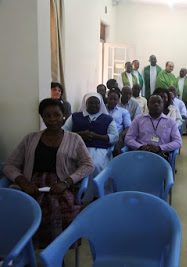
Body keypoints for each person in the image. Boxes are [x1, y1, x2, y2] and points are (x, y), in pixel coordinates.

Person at [3, 99, 94, 248]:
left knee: (65, 214)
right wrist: (23, 181)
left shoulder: (74, 139)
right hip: (31, 184)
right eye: (47, 116)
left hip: (60, 185)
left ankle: (57, 253)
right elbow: (9, 164)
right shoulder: (30, 138)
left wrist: (67, 182)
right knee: (19, 212)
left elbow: (88, 164)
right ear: (42, 117)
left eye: (56, 115)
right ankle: (27, 252)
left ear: (63, 115)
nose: (52, 120)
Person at [63, 93, 118, 202]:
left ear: (100, 104)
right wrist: (79, 134)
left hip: (98, 149)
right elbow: (64, 131)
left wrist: (96, 136)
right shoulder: (75, 116)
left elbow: (115, 137)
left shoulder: (107, 119)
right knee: (69, 164)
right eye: (91, 103)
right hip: (76, 148)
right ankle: (74, 194)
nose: (94, 105)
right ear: (85, 104)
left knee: (95, 165)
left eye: (96, 103)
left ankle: (95, 194)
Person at [125, 95, 182, 160]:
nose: (156, 104)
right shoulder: (138, 119)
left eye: (159, 102)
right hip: (141, 153)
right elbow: (128, 138)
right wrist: (140, 147)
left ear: (163, 105)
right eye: (153, 102)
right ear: (148, 105)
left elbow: (178, 142)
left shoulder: (170, 122)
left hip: (161, 155)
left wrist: (160, 148)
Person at [106, 89, 131, 156]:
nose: (112, 101)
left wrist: (121, 135)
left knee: (117, 150)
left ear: (118, 100)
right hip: (103, 136)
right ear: (107, 98)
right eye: (110, 99)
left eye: (115, 99)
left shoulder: (123, 111)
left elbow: (128, 127)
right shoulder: (101, 110)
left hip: (117, 137)